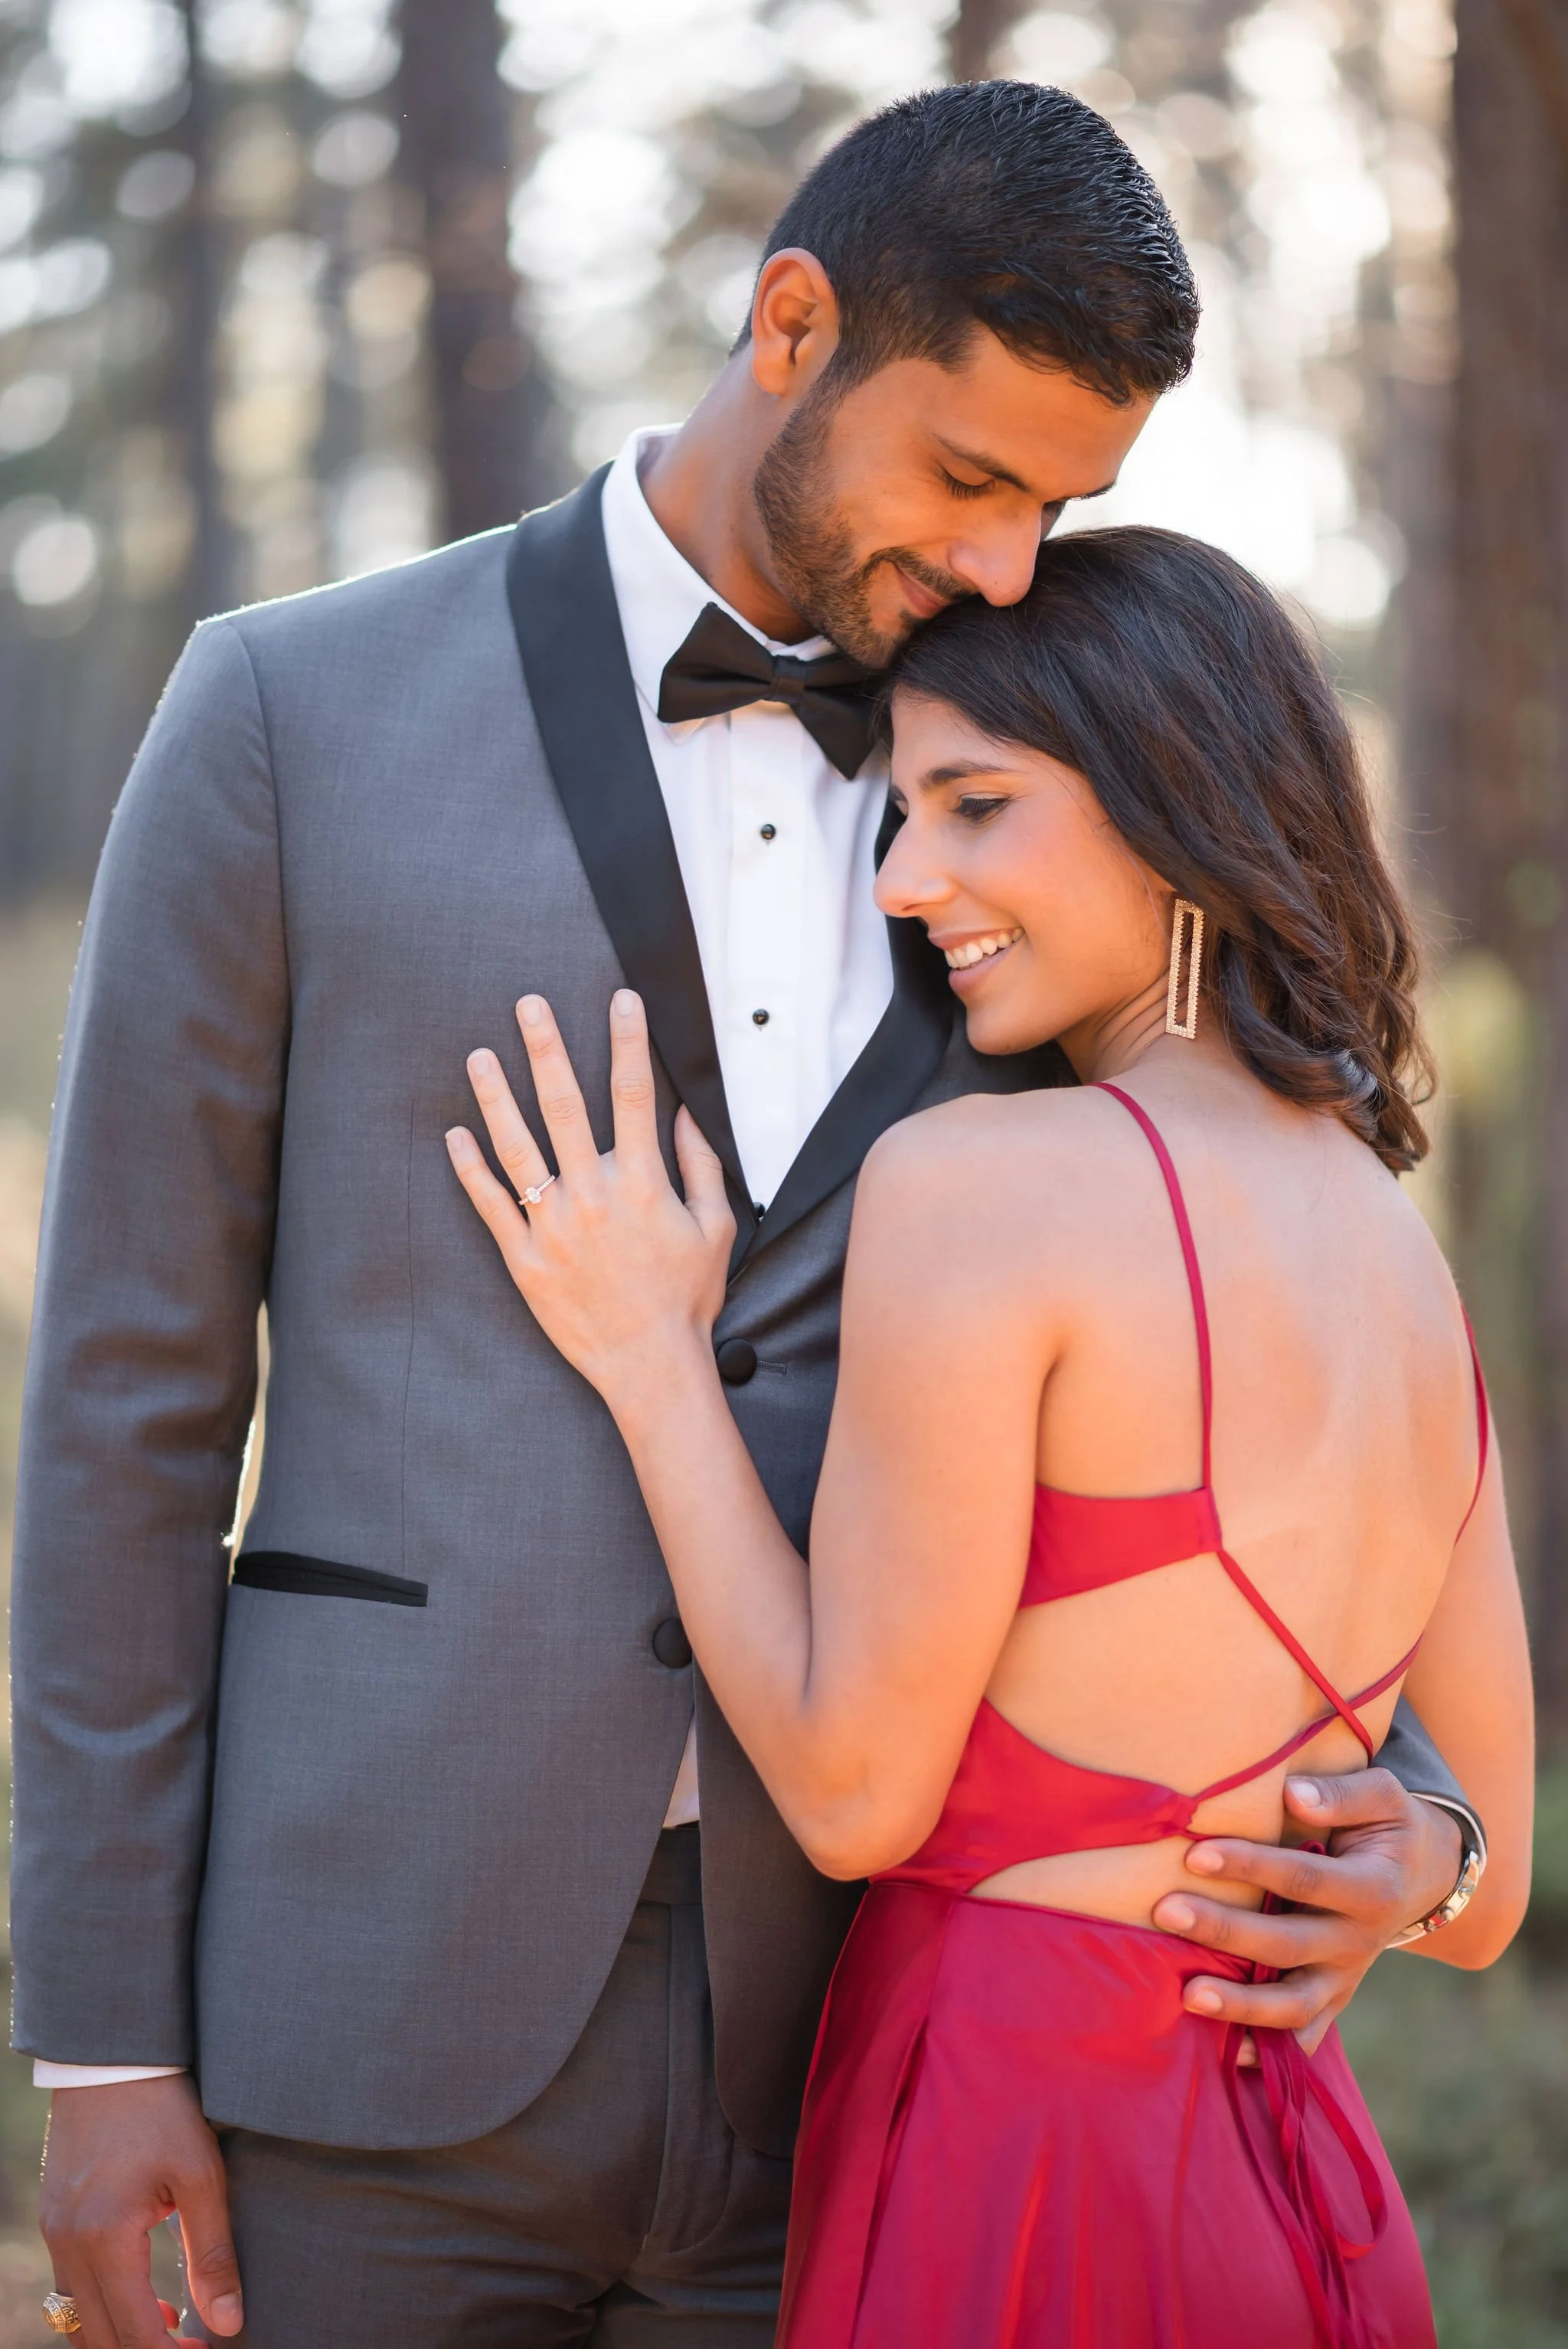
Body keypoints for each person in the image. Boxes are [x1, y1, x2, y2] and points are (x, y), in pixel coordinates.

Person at [14, 83, 1482, 2349]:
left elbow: (1226, 1327)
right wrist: (104, 2043)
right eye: (972, 478)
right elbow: (126, 1408)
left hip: (861, 2051)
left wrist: (1427, 1825)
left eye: (1062, 507)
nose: (1006, 565)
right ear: (790, 326)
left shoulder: (1027, 791)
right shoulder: (289, 714)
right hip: (372, 2003)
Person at [447, 526, 1534, 2347]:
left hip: (1017, 2149)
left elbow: (854, 1790)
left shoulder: (978, 1186)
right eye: (899, 814)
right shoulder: (1395, 1245)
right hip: (1290, 2186)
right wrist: (1414, 1859)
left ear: (1170, 802)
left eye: (973, 806)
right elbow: (1482, 1870)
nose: (903, 876)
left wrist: (649, 1357)